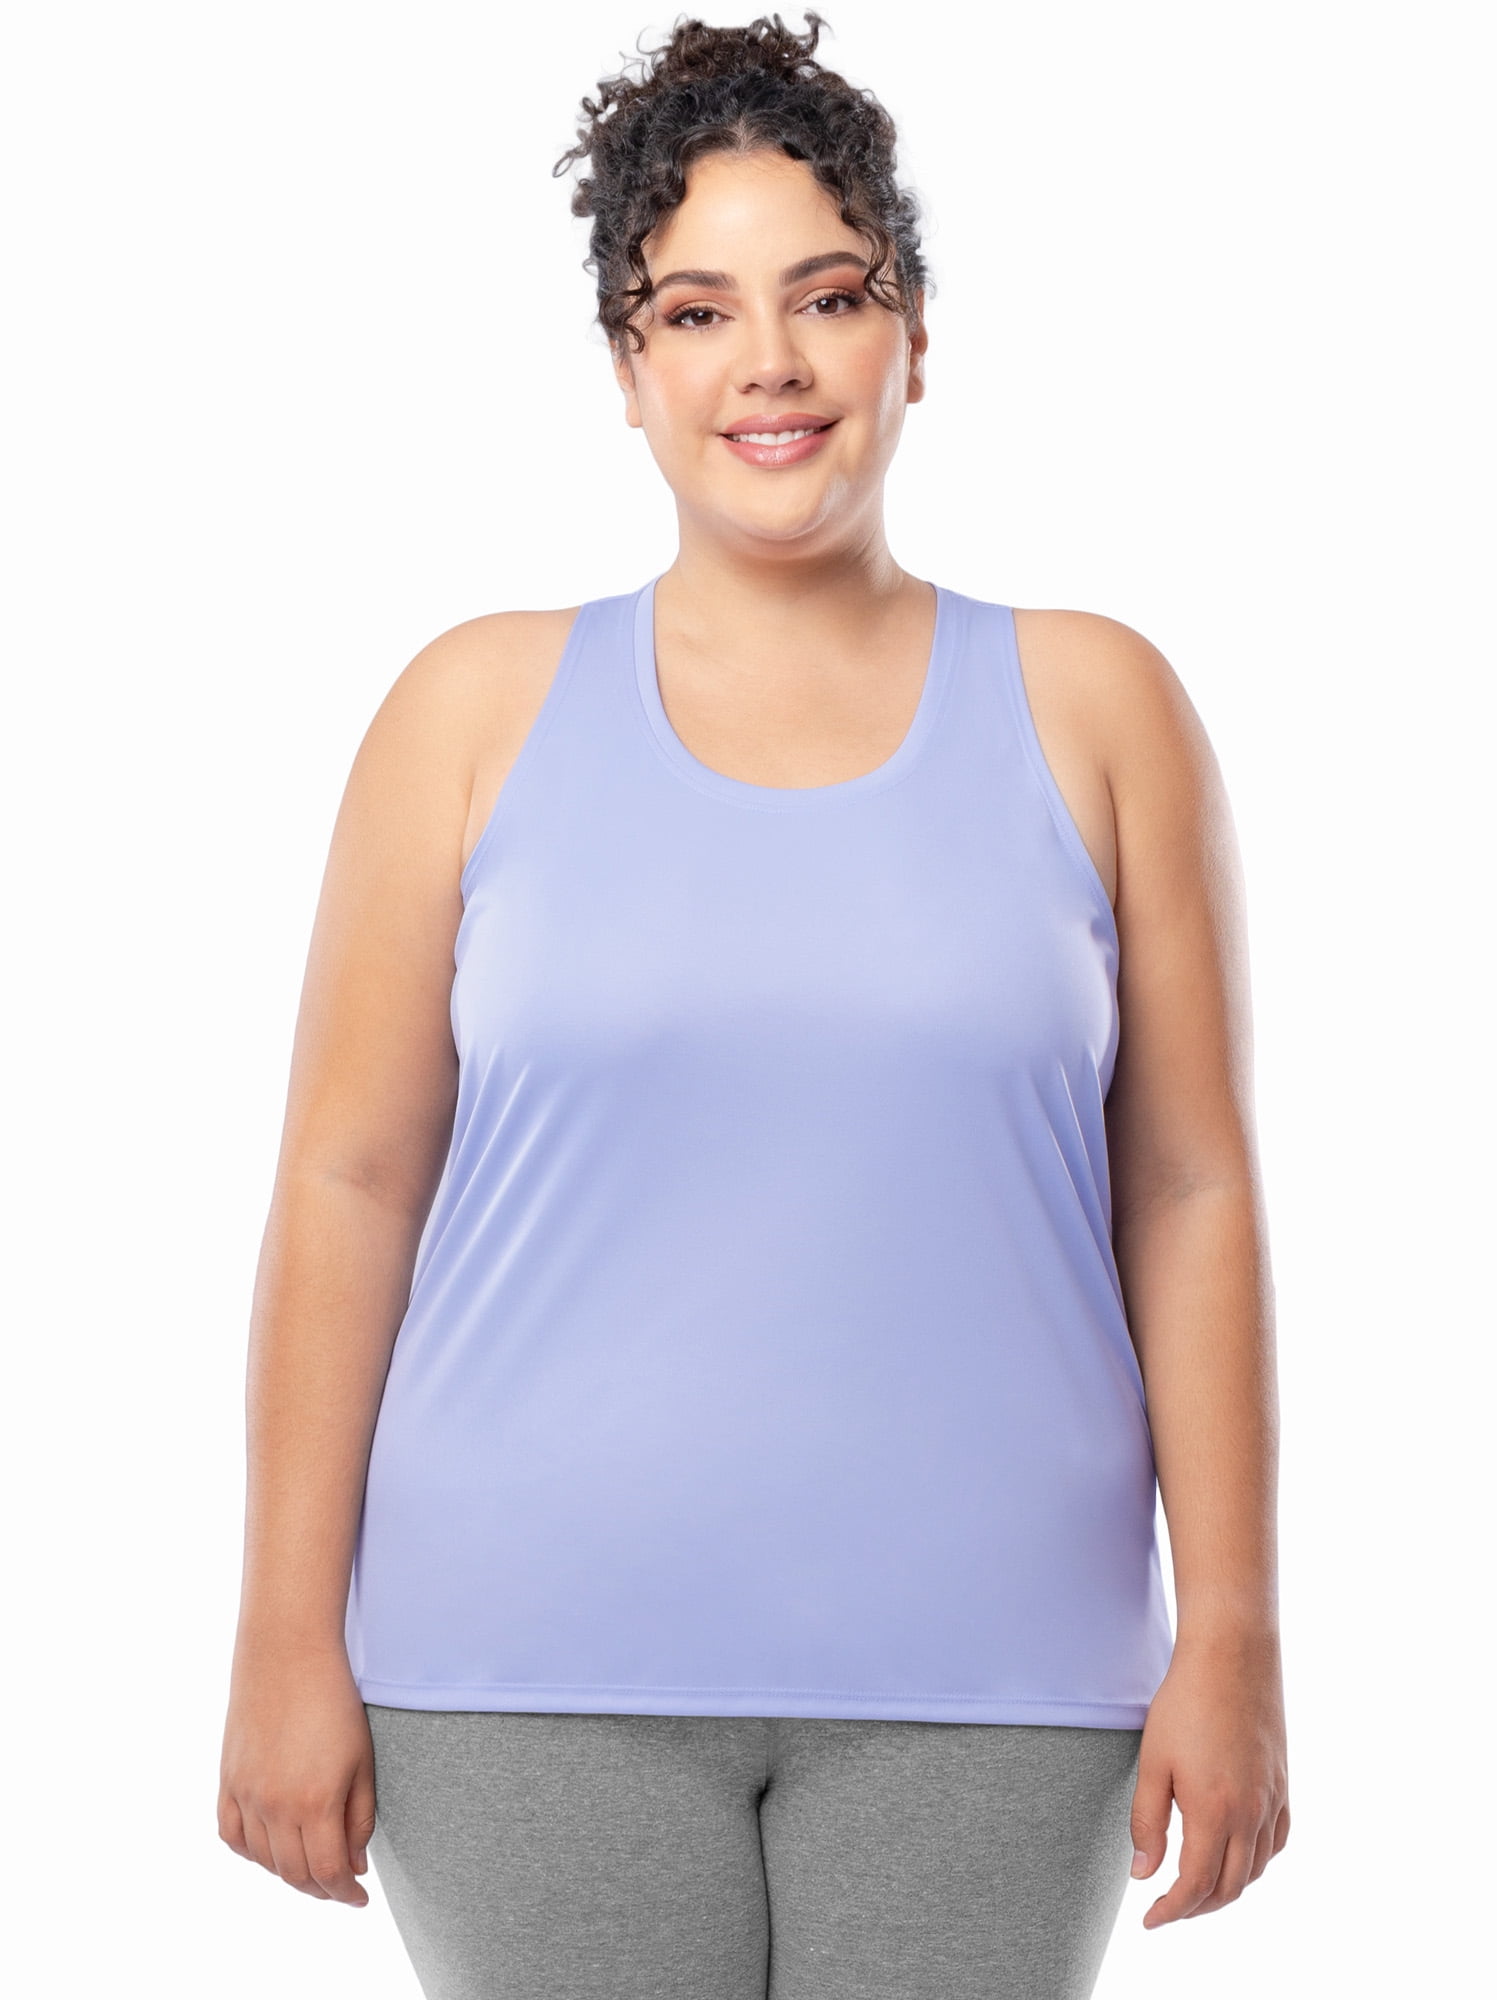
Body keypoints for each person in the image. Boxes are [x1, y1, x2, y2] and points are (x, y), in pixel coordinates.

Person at [217, 12, 1290, 1996]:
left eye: (830, 295)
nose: (770, 361)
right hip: (524, 1667)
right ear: (629, 371)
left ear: (915, 334)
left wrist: (1231, 1627)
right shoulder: (466, 711)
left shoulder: (1100, 705)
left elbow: (1192, 1189)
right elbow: (348, 1182)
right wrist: (282, 1634)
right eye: (697, 313)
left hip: (1002, 1672)